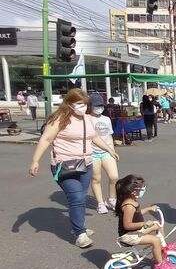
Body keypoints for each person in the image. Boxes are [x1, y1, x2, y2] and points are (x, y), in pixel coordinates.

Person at [28, 88, 119, 248]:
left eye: (84, 104)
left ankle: (78, 227)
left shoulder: (86, 118)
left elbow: (94, 137)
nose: (82, 107)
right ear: (69, 104)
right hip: (64, 165)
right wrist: (35, 160)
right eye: (78, 104)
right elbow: (46, 139)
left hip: (86, 164)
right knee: (76, 197)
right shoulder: (59, 119)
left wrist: (109, 149)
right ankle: (80, 234)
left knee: (80, 198)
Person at [114, 174, 176, 269]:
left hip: (134, 232)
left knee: (157, 224)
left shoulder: (132, 201)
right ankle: (159, 265)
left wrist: (149, 208)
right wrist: (144, 223)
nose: (142, 191)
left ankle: (164, 247)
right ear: (133, 192)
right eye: (140, 190)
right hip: (128, 236)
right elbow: (127, 225)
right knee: (155, 240)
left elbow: (138, 214)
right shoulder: (129, 206)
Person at [88, 94, 119, 214]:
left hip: (107, 152)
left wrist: (112, 150)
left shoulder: (106, 119)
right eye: (97, 106)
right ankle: (100, 203)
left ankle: (111, 199)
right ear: (90, 106)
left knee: (114, 177)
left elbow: (109, 135)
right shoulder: (87, 119)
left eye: (101, 105)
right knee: (96, 178)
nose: (99, 108)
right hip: (93, 153)